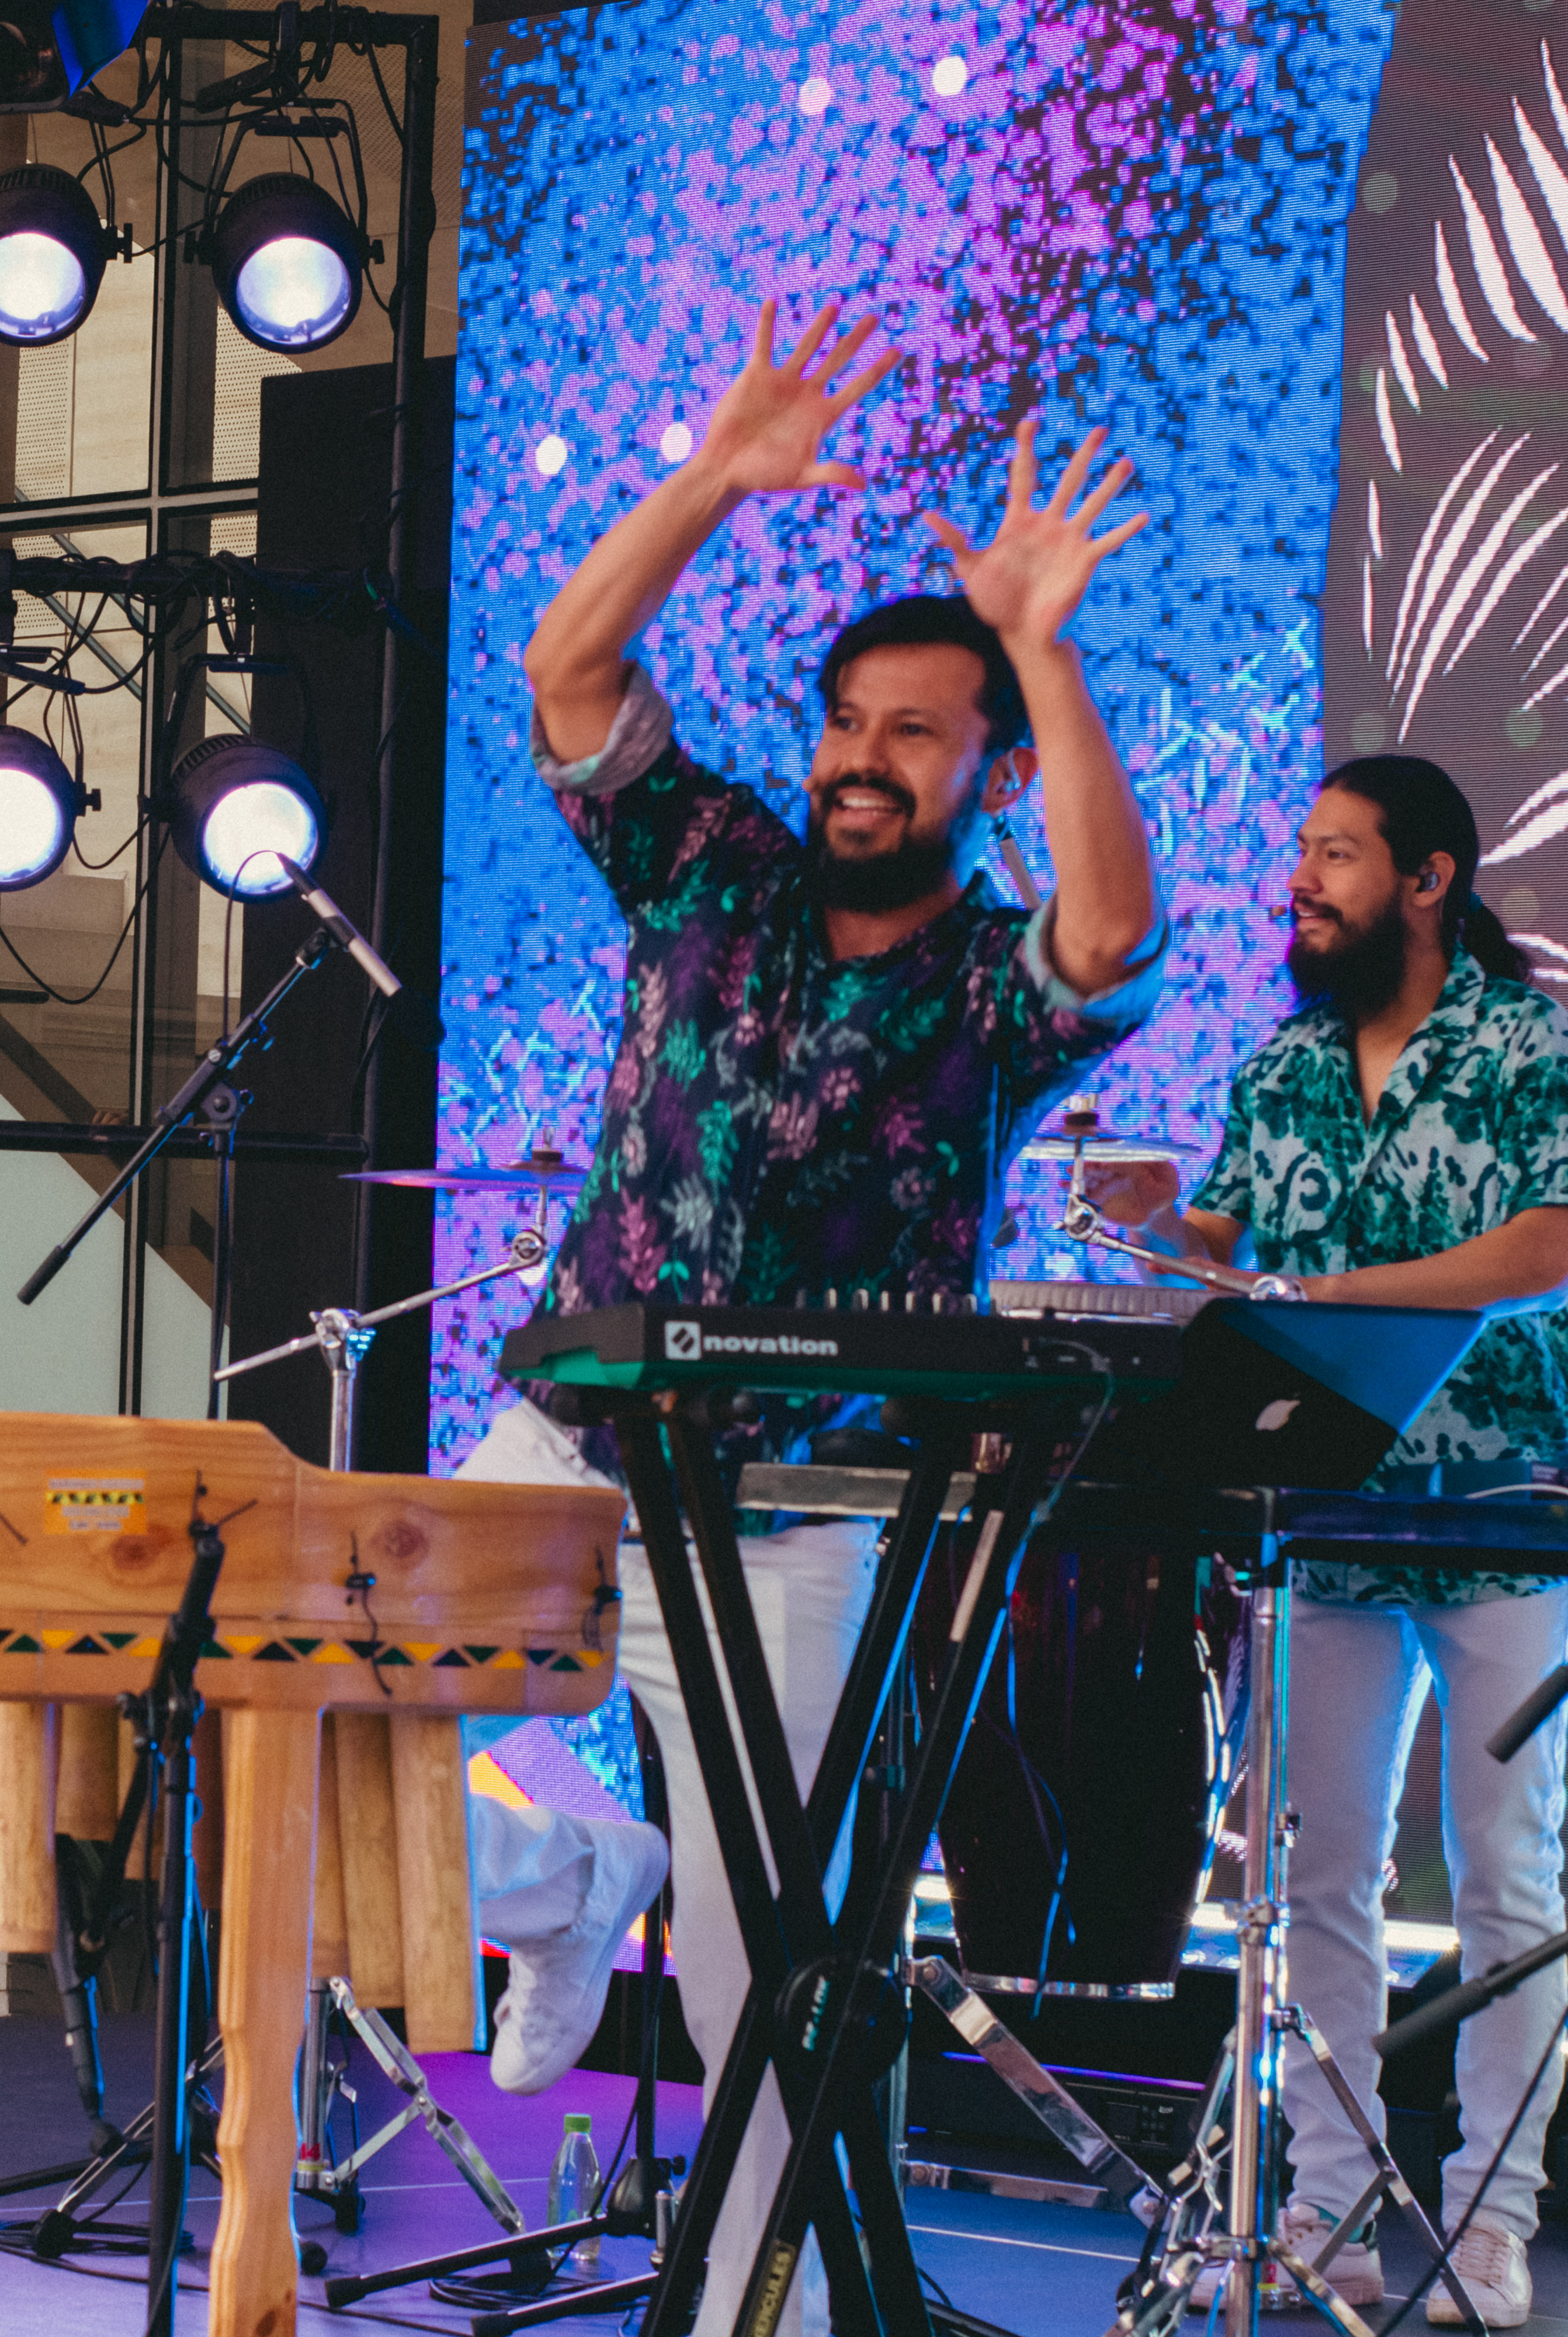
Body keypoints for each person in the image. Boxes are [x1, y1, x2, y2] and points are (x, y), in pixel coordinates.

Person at [462, 300, 1167, 2336]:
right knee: (334, 1738)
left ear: (991, 774)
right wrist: (710, 478)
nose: (861, 755)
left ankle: (745, 2313)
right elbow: (568, 671)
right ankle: (569, 1881)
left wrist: (1041, 648)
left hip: (797, 1516)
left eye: (916, 732)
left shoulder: (990, 985)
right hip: (570, 1448)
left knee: (758, 1971)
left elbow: (1114, 932)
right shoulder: (714, 869)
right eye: (849, 720)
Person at [1087, 754, 1568, 2329]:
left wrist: (1318, 1295)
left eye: (1337, 854)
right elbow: (1227, 1247)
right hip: (1325, 1498)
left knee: (1506, 1870)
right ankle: (1326, 2200)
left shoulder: (1525, 1039)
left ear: (1429, 878)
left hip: (1506, 1503)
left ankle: (1491, 2219)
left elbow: (1542, 1251)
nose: (1302, 880)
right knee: (1317, 1869)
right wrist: (1157, 1222)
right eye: (1303, 852)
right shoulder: (1285, 1064)